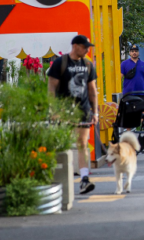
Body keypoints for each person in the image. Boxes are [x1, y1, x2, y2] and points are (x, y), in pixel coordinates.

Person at [47, 35, 98, 194]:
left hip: (82, 110)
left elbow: (92, 90)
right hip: (63, 111)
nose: (87, 50)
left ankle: (84, 179)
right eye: (85, 47)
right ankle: (59, 181)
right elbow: (51, 89)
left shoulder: (88, 64)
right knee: (62, 145)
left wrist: (95, 112)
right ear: (75, 46)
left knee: (82, 143)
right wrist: (53, 110)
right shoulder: (60, 63)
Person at [121, 45, 144, 139]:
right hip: (129, 93)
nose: (134, 52)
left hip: (142, 92)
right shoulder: (124, 64)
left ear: (138, 52)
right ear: (130, 53)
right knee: (128, 112)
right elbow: (120, 76)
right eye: (132, 51)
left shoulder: (143, 64)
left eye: (135, 51)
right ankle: (129, 134)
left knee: (143, 112)